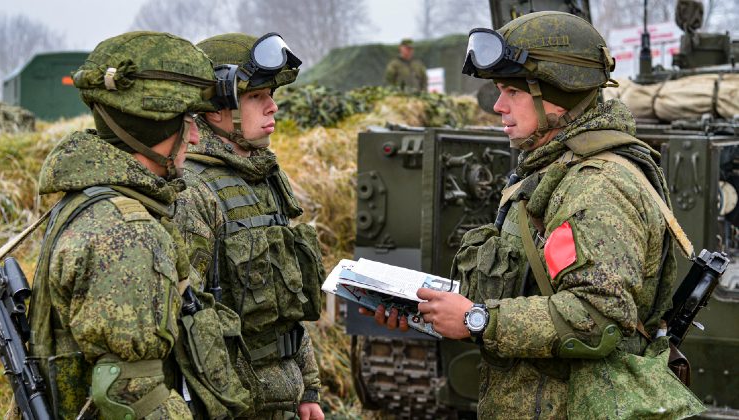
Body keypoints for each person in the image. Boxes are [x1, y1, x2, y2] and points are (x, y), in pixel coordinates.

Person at [363, 12, 701, 418]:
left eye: (512, 92)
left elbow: (596, 317)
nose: (498, 106)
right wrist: (433, 310)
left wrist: (476, 320)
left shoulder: (599, 185)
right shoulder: (550, 171)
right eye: (499, 91)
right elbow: (530, 290)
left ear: (560, 92)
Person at [28, 31, 222, 419]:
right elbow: (133, 395)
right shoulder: (127, 233)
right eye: (187, 121)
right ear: (154, 128)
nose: (196, 136)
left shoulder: (92, 199)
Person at [173, 32, 325, 420]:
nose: (273, 106)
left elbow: (287, 301)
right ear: (215, 109)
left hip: (283, 399)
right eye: (256, 96)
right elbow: (187, 318)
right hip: (235, 404)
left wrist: (308, 388)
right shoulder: (194, 191)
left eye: (270, 94)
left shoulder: (267, 177)